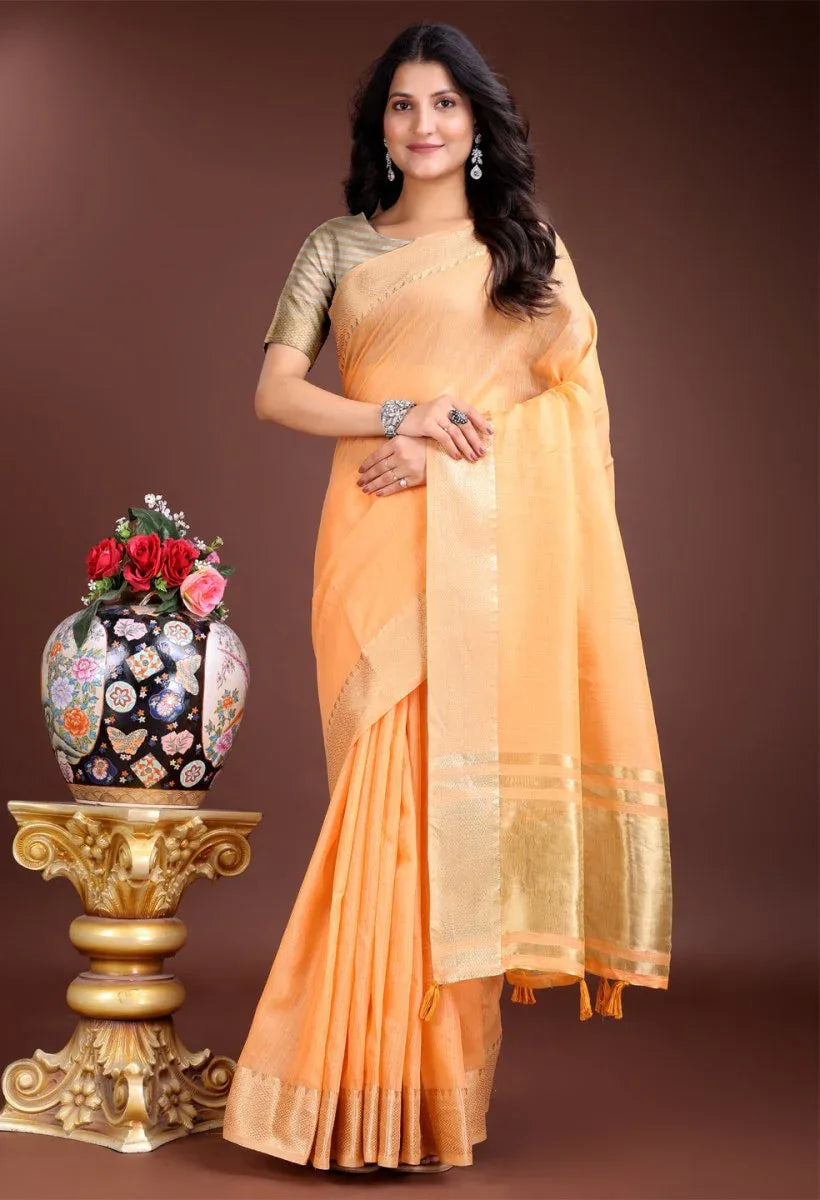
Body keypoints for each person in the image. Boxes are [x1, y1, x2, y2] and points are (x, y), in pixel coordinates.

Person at [221, 21, 673, 1175]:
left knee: (441, 811)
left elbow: (566, 403)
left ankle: (413, 1106)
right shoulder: (337, 246)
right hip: (371, 533)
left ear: (476, 124)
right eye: (402, 105)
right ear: (379, 129)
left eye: (444, 104)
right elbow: (277, 394)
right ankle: (348, 1098)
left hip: (478, 551)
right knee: (377, 800)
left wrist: (448, 454)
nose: (423, 124)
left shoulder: (523, 248)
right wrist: (400, 417)